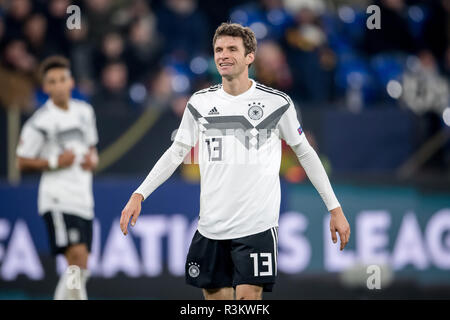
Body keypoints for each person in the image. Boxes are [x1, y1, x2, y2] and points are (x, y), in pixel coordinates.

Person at [120, 22, 350, 300]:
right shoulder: (200, 103)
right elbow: (176, 153)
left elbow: (305, 153)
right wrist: (139, 194)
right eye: (218, 49)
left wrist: (334, 208)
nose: (223, 55)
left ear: (249, 57)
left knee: (246, 301)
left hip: (257, 227)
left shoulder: (277, 103)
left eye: (232, 49)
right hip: (211, 227)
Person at [16, 56, 99, 300]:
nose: (59, 85)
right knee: (77, 258)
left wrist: (93, 161)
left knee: (79, 268)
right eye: (53, 81)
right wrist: (54, 162)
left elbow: (92, 150)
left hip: (83, 198)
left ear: (71, 82)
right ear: (46, 87)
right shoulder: (39, 122)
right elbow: (21, 161)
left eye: (63, 79)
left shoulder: (85, 112)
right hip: (57, 198)